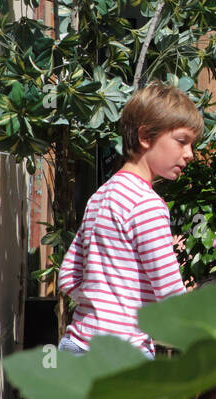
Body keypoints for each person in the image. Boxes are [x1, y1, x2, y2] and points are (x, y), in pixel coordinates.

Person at [59, 83, 202, 357]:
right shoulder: (147, 204)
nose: (189, 154)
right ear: (146, 136)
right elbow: (168, 289)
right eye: (182, 141)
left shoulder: (100, 196)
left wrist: (101, 303)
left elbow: (67, 276)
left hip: (75, 346)